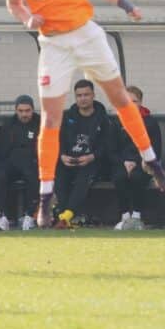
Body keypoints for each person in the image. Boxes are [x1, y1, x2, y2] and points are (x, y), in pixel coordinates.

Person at [0, 0, 165, 228]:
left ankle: (152, 162)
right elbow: (13, 4)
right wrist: (27, 19)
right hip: (53, 44)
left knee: (121, 99)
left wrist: (126, 5)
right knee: (50, 119)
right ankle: (45, 199)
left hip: (86, 34)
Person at [54, 79, 110, 228]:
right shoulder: (67, 117)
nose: (83, 98)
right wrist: (62, 155)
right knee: (58, 176)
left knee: (83, 177)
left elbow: (107, 145)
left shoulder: (103, 118)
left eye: (86, 94)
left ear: (93, 95)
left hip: (92, 162)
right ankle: (64, 215)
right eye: (79, 95)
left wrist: (92, 156)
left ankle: (66, 216)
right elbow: (58, 140)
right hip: (69, 160)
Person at [110, 85, 162, 231]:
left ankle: (137, 216)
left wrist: (139, 162)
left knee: (137, 177)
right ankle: (125, 216)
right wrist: (124, 162)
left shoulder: (150, 123)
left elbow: (156, 149)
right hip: (122, 163)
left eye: (134, 101)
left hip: (144, 163)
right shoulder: (116, 122)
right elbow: (111, 150)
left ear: (140, 102)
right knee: (119, 177)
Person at [0, 94, 41, 230]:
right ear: (16, 110)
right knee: (0, 176)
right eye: (21, 111)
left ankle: (29, 216)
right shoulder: (9, 125)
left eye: (27, 111)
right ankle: (3, 217)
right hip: (12, 162)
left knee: (34, 176)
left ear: (33, 109)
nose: (24, 114)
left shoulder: (40, 124)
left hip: (32, 162)